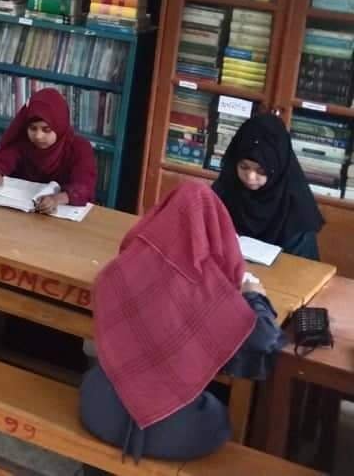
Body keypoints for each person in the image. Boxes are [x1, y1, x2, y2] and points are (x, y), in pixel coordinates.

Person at [80, 183, 283, 463]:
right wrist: (255, 298)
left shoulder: (115, 272)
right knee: (219, 419)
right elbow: (263, 340)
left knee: (102, 377)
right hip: (174, 433)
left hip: (99, 413)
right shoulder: (212, 291)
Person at [212, 113, 325, 259]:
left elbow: (304, 269)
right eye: (244, 167)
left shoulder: (296, 211)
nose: (250, 177)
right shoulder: (223, 191)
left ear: (278, 169)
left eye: (261, 170)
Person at [0, 88, 97, 212]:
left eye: (46, 130)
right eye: (32, 128)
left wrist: (57, 199)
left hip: (61, 214)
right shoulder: (23, 141)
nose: (38, 136)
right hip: (21, 212)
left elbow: (84, 187)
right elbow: (3, 159)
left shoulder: (79, 148)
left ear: (60, 126)